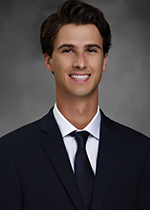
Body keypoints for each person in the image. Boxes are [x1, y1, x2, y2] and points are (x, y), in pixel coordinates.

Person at [0, 0, 150, 209]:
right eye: (68, 50)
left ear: (104, 60)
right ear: (48, 60)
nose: (80, 63)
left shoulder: (142, 152)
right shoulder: (11, 154)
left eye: (91, 50)